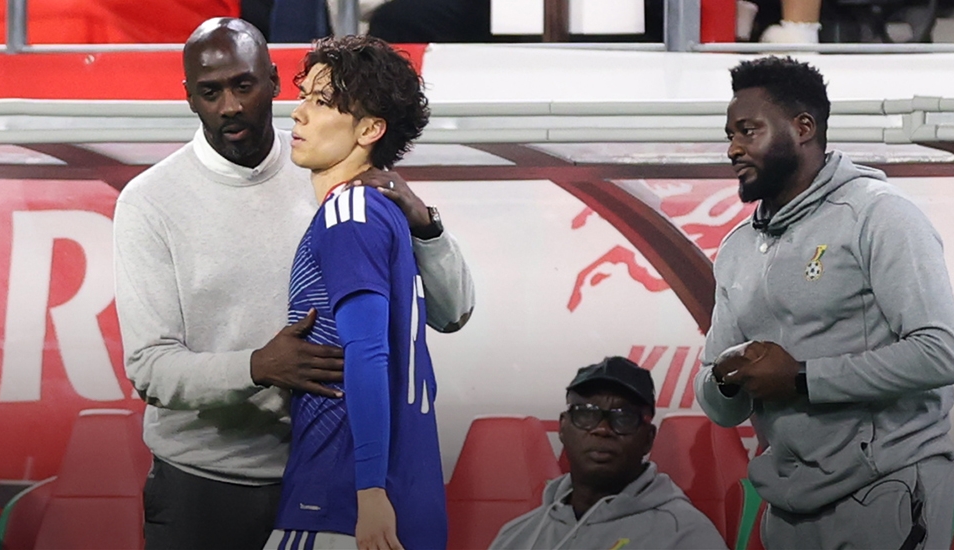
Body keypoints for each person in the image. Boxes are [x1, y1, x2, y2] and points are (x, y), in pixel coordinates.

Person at [113, 17, 475, 550]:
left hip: (324, 478)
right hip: (204, 486)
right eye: (211, 92)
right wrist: (257, 366)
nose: (230, 106)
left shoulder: (329, 160)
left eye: (244, 85)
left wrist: (427, 227)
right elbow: (149, 367)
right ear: (189, 97)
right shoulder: (149, 202)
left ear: (274, 81)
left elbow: (453, 312)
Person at [699, 56, 954, 549]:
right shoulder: (736, 249)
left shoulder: (880, 216)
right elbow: (719, 405)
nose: (733, 148)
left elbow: (940, 354)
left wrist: (801, 378)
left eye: (748, 131)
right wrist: (725, 377)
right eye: (730, 134)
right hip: (788, 503)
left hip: (887, 486)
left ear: (803, 128)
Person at [264, 34, 445, 550]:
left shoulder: (349, 212)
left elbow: (367, 353)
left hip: (339, 503)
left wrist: (368, 491)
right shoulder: (385, 213)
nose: (298, 113)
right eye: (304, 95)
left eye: (322, 101)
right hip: (403, 501)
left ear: (369, 129)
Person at [490, 357, 727, 550]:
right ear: (563, 427)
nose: (602, 429)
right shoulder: (517, 536)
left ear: (648, 439)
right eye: (586, 414)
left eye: (623, 417)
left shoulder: (685, 535)